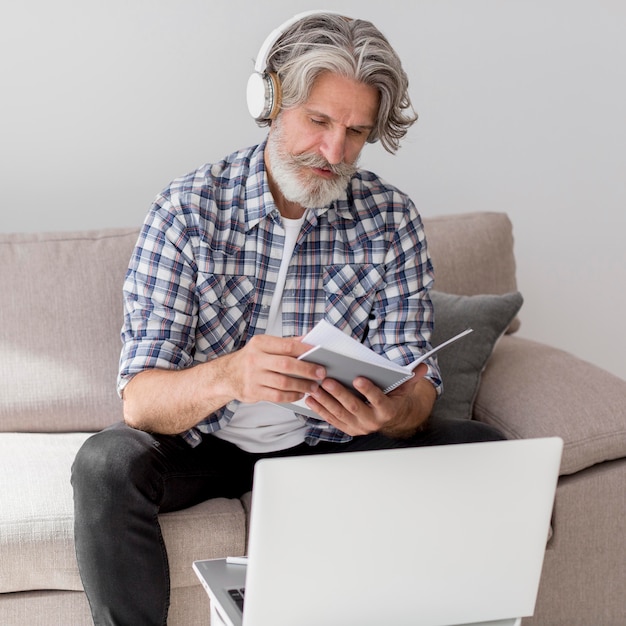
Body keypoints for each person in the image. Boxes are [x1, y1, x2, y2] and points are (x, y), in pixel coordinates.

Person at [72, 11, 504, 625]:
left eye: (356, 131)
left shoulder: (391, 219)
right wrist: (229, 376)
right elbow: (141, 401)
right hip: (205, 444)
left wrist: (394, 412)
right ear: (270, 99)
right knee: (105, 463)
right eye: (320, 121)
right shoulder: (187, 210)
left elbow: (415, 384)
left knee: (487, 450)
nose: (335, 151)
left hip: (327, 442)